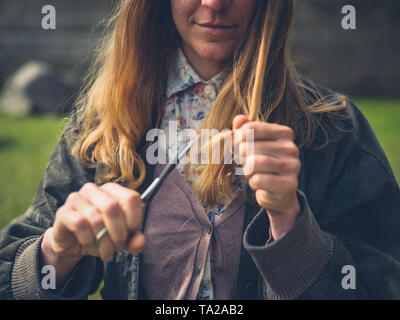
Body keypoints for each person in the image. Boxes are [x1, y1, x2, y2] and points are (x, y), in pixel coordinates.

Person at [0, 0, 399, 300]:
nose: (214, 3)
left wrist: (292, 225)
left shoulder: (334, 126)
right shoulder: (104, 120)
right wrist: (56, 250)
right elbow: (9, 276)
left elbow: (382, 284)